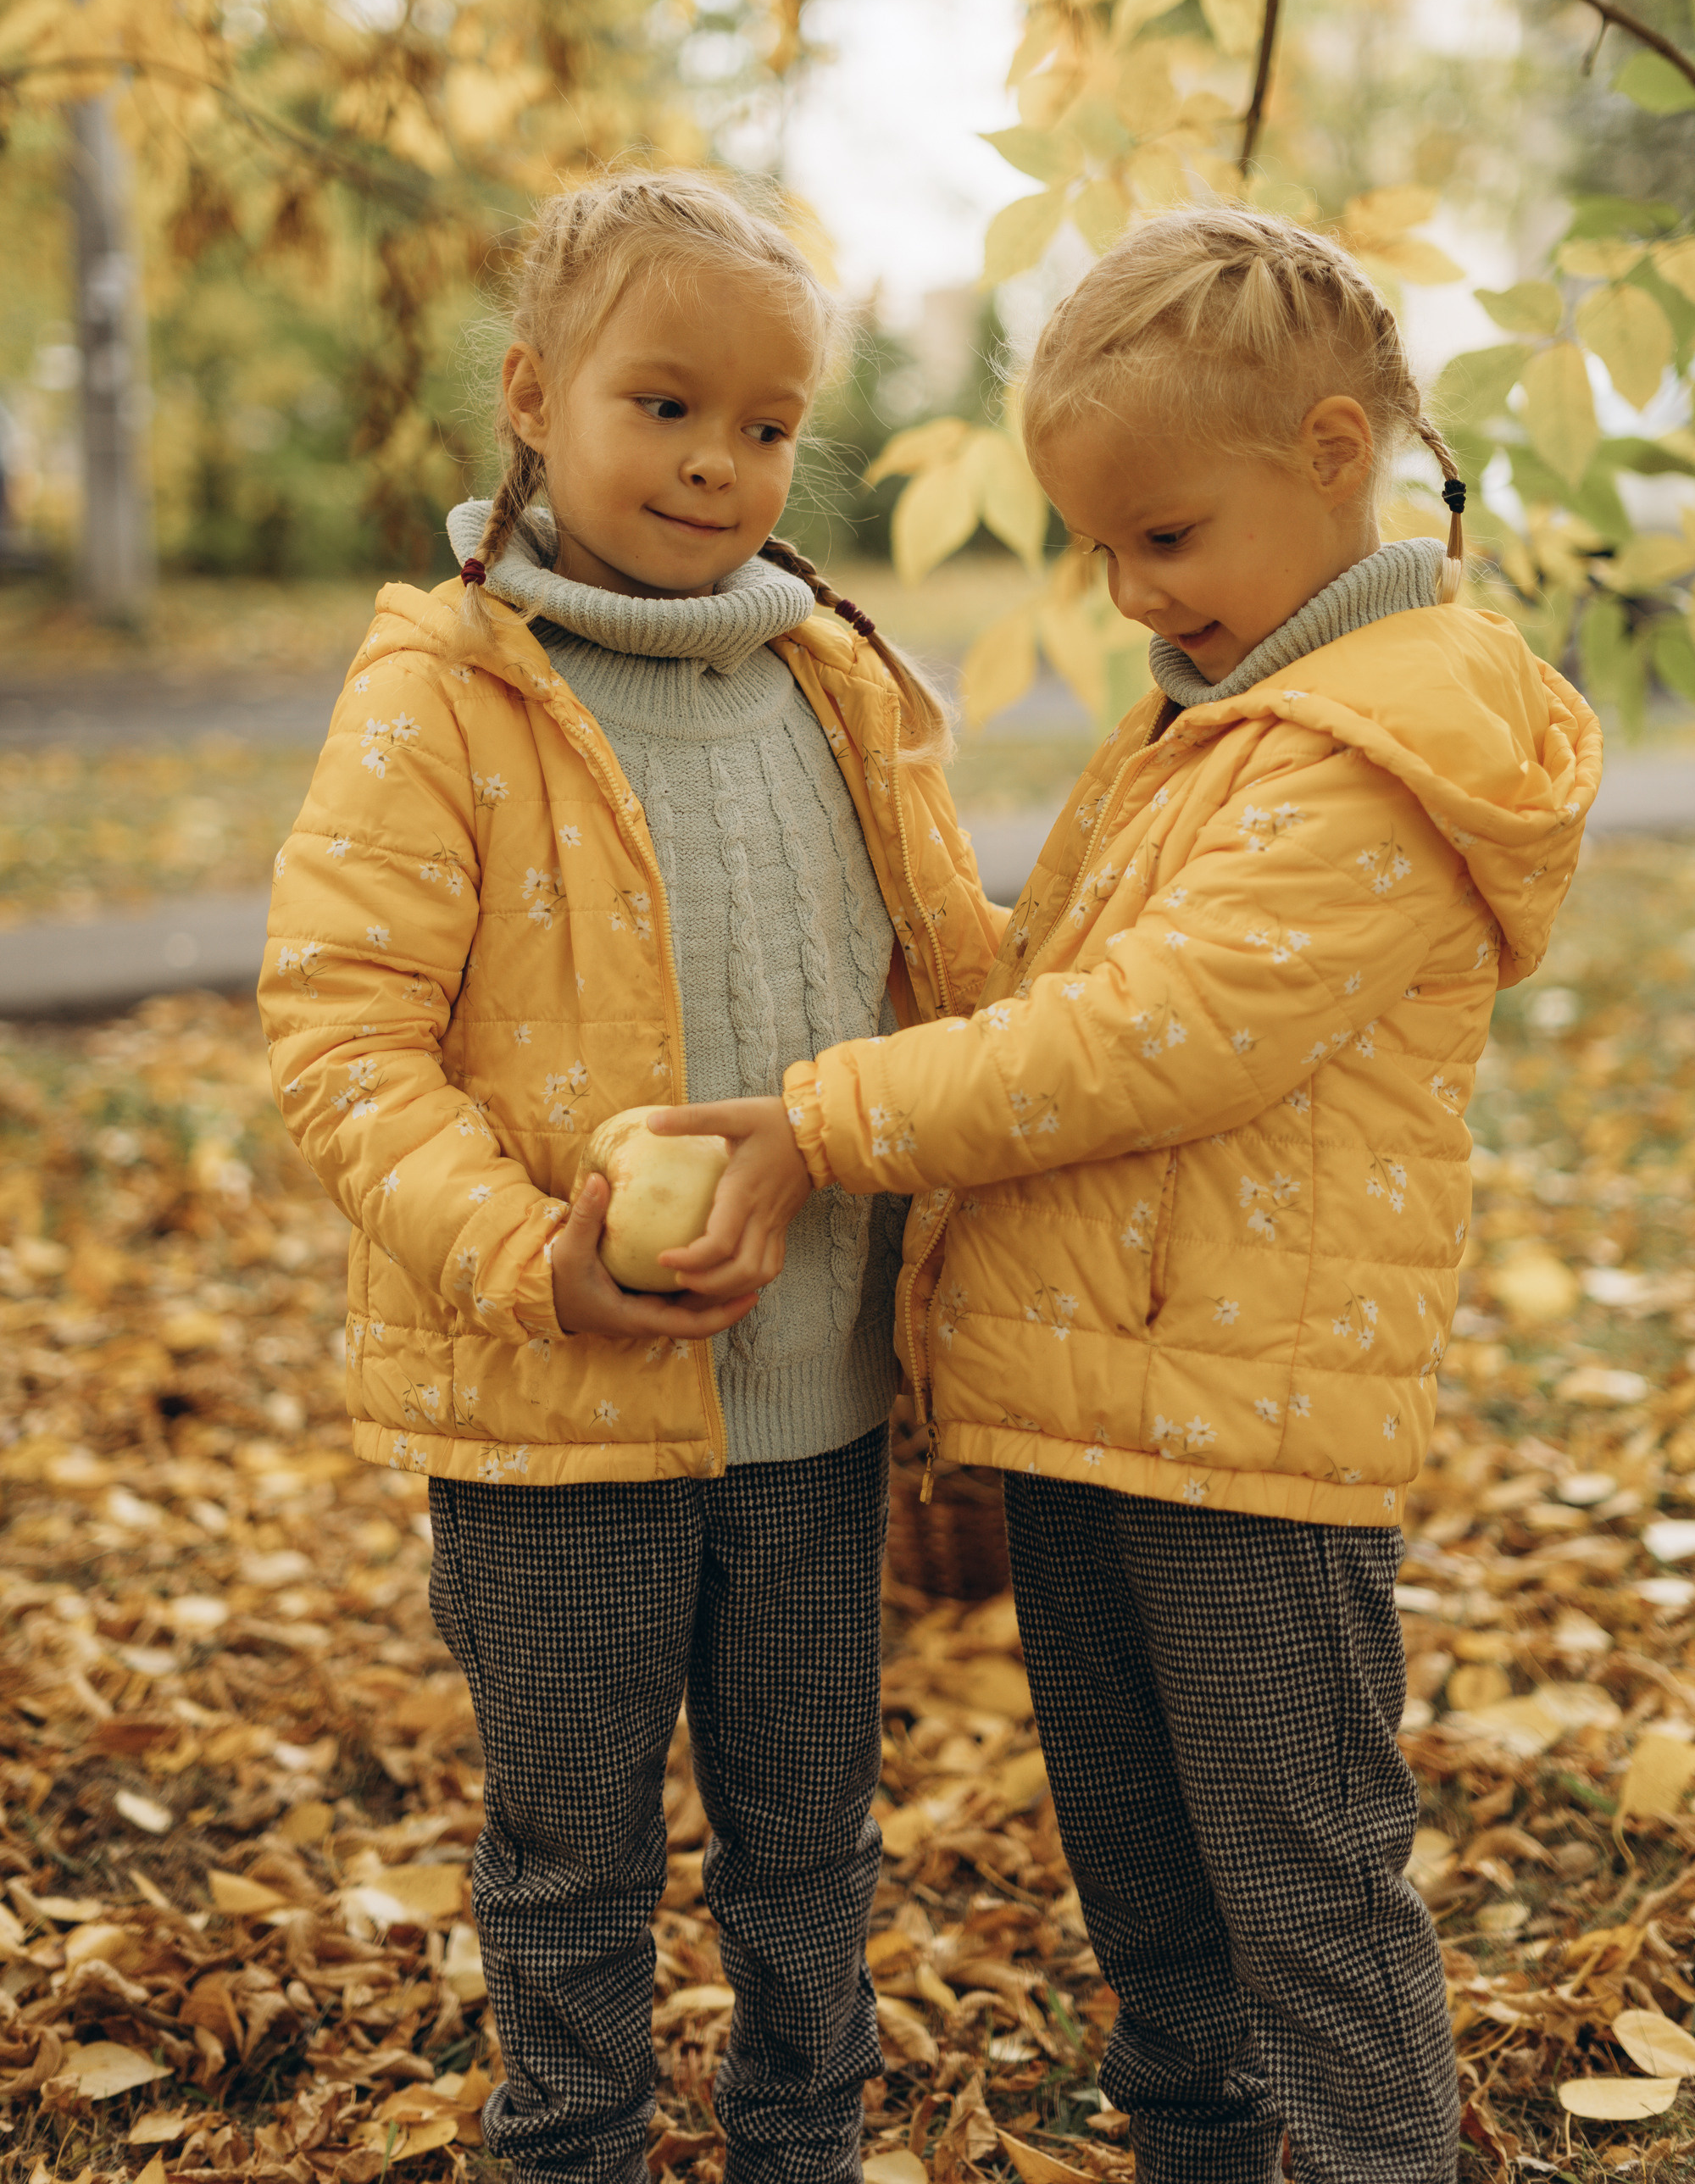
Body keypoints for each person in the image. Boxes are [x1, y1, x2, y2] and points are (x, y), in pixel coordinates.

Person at [649, 205, 1603, 2184]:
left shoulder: (1379, 752)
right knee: (1150, 1890)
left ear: (1333, 455)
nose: (1126, 593)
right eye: (1099, 549)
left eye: (1163, 538)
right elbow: (1043, 981)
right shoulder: (1213, 726)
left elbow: (1148, 1036)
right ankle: (1195, 2149)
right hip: (1096, 1405)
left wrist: (825, 1115)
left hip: (1252, 1435)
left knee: (1305, 1887)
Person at [259, 169, 1003, 2184]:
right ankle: (570, 2140)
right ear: (534, 394)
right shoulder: (445, 690)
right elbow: (341, 1039)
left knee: (805, 1833)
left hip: (812, 1401)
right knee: (571, 1840)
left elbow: (951, 986)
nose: (716, 461)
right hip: (551, 1414)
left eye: (766, 426)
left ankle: (802, 2143)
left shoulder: (837, 682)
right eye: (662, 405)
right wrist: (528, 1260)